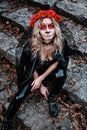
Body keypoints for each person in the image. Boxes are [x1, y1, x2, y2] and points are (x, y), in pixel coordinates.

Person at [0, 9, 84, 130]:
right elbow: (29, 65)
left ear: (55, 27)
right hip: (34, 71)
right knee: (19, 96)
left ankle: (52, 98)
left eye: (50, 26)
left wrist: (41, 79)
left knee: (60, 74)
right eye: (43, 27)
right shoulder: (30, 46)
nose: (48, 31)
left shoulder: (61, 41)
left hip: (49, 71)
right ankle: (7, 121)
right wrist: (39, 83)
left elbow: (57, 62)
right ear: (38, 31)